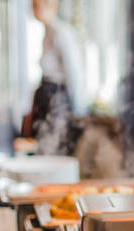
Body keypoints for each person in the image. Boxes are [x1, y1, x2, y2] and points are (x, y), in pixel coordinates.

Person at [22, 0, 86, 155]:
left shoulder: (62, 32)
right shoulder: (47, 31)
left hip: (57, 98)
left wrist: (79, 110)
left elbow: (74, 73)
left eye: (36, 5)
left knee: (54, 148)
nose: (32, 9)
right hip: (47, 94)